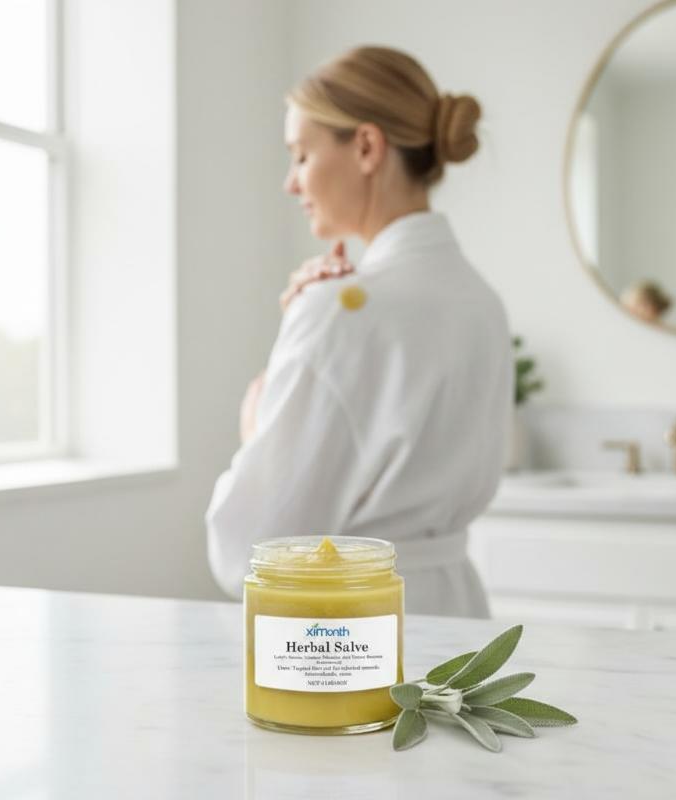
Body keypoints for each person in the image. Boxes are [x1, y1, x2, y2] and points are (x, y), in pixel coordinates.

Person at [205, 46, 512, 616]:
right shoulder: (481, 301)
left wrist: (257, 426)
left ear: (367, 147)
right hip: (462, 619)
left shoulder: (342, 310)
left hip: (363, 630)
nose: (290, 184)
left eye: (301, 155)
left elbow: (252, 553)